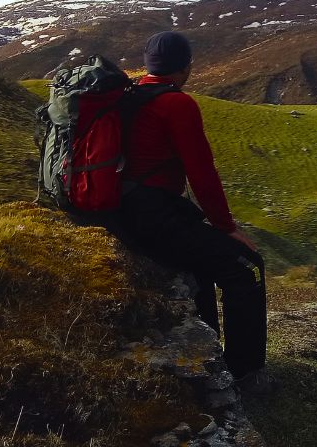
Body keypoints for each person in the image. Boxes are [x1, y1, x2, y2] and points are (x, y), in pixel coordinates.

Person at [105, 31, 272, 393]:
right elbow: (201, 172)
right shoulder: (176, 104)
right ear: (186, 66)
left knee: (202, 264)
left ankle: (209, 354)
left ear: (149, 63)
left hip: (125, 209)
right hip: (155, 212)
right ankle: (245, 372)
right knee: (244, 267)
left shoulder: (128, 95)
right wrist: (226, 226)